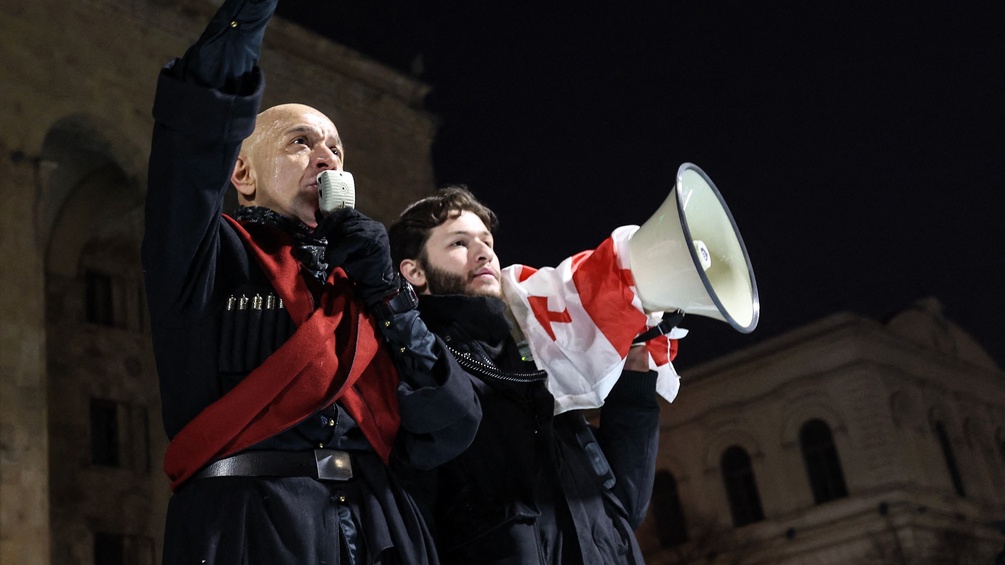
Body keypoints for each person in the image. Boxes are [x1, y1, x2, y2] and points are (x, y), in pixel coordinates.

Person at [142, 1, 479, 563]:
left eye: (335, 148)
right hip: (254, 521)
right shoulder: (208, 253)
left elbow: (450, 423)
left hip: (383, 527)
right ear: (243, 174)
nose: (326, 157)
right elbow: (194, 141)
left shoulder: (366, 285)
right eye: (300, 142)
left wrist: (388, 294)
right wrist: (246, 17)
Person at [388, 186, 665, 564]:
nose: (484, 252)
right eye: (459, 243)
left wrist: (635, 365)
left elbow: (626, 505)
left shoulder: (536, 359)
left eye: (487, 241)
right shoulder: (420, 371)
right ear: (415, 271)